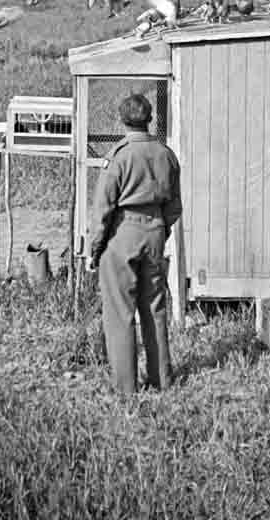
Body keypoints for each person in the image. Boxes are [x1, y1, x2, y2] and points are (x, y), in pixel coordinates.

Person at [89, 93, 182, 394]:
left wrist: (95, 249)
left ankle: (126, 389)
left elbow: (103, 208)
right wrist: (160, 229)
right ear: (150, 118)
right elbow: (174, 206)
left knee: (119, 313)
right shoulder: (166, 154)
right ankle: (161, 380)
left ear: (122, 119)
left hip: (122, 234)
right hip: (155, 231)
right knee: (155, 308)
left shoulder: (118, 156)